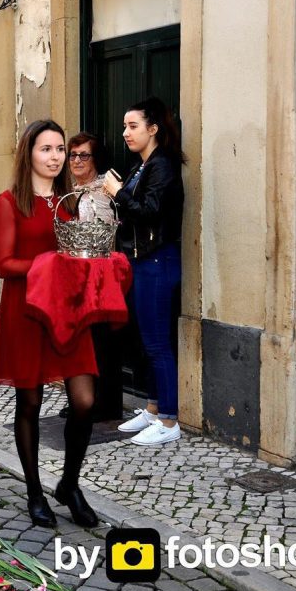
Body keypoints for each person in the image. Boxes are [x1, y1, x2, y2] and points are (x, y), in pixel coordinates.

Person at [0, 119, 98, 529]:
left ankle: (69, 484)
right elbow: (4, 264)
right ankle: (35, 492)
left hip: (69, 312)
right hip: (27, 312)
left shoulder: (70, 202)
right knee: (30, 403)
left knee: (84, 401)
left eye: (60, 150)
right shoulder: (9, 202)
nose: (55, 157)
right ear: (29, 154)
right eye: (46, 149)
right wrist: (50, 264)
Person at [104, 96, 185, 447]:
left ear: (153, 129)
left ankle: (169, 420)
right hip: (141, 260)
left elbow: (149, 211)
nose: (126, 132)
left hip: (157, 260)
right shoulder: (143, 165)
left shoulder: (162, 165)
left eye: (133, 126)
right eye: (125, 126)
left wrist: (118, 192)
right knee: (145, 340)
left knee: (157, 342)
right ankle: (153, 409)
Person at [57, 133, 124, 423]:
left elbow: (106, 236)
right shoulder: (68, 192)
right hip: (73, 278)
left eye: (84, 155)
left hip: (99, 278)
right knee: (79, 342)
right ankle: (82, 399)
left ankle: (105, 404)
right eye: (72, 155)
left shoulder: (104, 192)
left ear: (96, 159)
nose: (77, 160)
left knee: (100, 342)